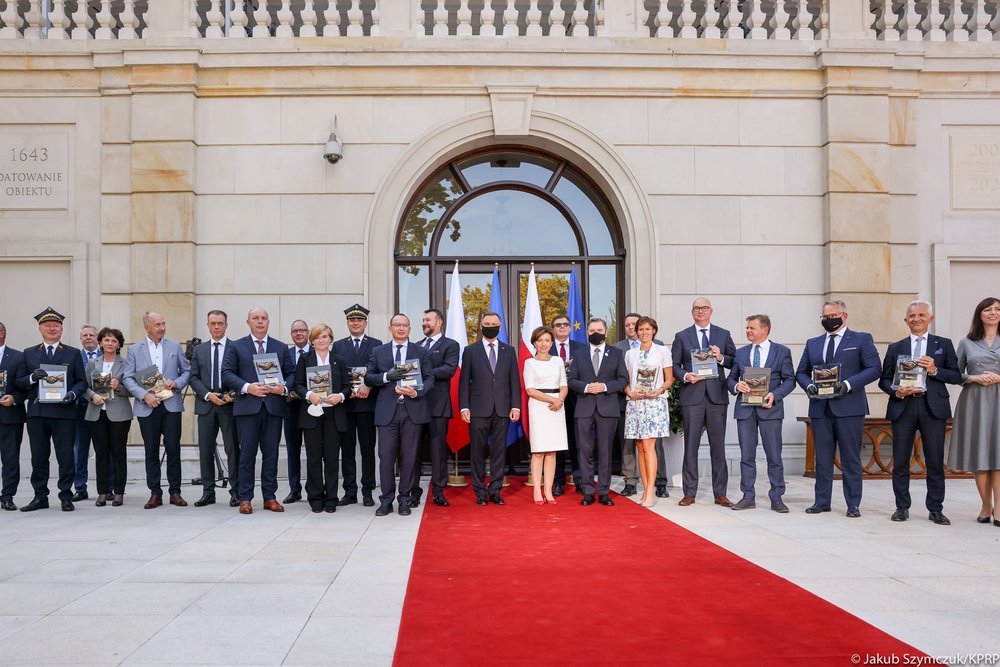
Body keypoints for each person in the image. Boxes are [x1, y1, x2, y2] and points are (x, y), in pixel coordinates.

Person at [796, 299, 881, 518]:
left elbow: (874, 369)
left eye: (831, 315)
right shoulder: (813, 343)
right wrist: (809, 386)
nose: (828, 320)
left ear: (844, 316)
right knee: (822, 459)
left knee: (850, 458)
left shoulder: (861, 339)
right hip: (820, 408)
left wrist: (848, 385)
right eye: (824, 317)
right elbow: (801, 372)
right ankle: (821, 501)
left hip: (849, 407)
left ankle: (853, 504)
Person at [878, 301, 961, 525]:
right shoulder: (896, 347)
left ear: (930, 319)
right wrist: (897, 391)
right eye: (912, 316)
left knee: (934, 460)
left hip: (932, 406)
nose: (916, 319)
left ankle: (935, 508)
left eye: (921, 315)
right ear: (906, 321)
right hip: (903, 406)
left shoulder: (943, 344)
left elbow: (956, 376)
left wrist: (934, 370)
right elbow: (884, 380)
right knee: (901, 460)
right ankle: (902, 507)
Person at [222, 307, 295, 514]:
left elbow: (291, 374)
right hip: (247, 408)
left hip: (273, 408)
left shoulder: (280, 347)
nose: (260, 322)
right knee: (247, 455)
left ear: (268, 322)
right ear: (248, 322)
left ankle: (269, 497)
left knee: (271, 455)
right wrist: (247, 387)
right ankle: (245, 498)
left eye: (263, 318)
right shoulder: (236, 346)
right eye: (256, 318)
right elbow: (227, 373)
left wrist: (285, 388)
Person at [14, 307, 87, 512]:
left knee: (65, 456)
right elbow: (19, 382)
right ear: (40, 329)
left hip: (64, 413)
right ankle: (40, 496)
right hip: (37, 413)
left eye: (56, 325)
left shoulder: (72, 353)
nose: (52, 328)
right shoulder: (28, 353)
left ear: (62, 329)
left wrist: (72, 394)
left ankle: (65, 495)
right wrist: (31, 378)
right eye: (48, 325)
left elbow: (81, 382)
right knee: (39, 456)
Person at [364, 314, 433, 516]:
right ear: (390, 328)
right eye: (397, 325)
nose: (401, 328)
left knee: (409, 458)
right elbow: (368, 378)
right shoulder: (379, 351)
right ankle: (386, 500)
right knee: (386, 457)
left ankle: (405, 499)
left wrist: (416, 391)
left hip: (413, 410)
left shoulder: (421, 352)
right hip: (387, 412)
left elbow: (430, 379)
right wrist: (387, 376)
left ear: (410, 329)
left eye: (404, 325)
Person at [671, 297, 736, 507]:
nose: (700, 311)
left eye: (704, 308)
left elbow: (735, 362)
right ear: (692, 312)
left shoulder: (723, 334)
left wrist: (720, 357)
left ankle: (720, 493)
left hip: (716, 397)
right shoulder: (681, 336)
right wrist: (685, 375)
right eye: (697, 308)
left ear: (711, 311)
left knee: (718, 447)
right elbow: (673, 365)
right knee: (691, 446)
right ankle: (689, 492)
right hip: (693, 396)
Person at [727, 314, 796, 512]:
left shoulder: (782, 351)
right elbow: (730, 379)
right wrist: (736, 385)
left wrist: (776, 394)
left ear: (764, 330)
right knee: (746, 456)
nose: (748, 331)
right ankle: (748, 496)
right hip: (745, 411)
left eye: (751, 328)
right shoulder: (740, 353)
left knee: (774, 455)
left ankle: (776, 497)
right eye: (747, 328)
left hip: (770, 410)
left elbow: (790, 380)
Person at [123, 311, 191, 509]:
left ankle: (175, 492)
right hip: (147, 406)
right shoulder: (135, 349)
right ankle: (155, 493)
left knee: (173, 449)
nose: (162, 328)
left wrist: (176, 382)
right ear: (147, 327)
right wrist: (144, 396)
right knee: (151, 451)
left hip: (171, 405)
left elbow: (187, 371)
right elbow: (128, 378)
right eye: (157, 325)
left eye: (163, 324)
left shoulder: (174, 346)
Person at [947, 297, 1000, 526]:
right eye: (988, 309)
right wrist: (975, 377)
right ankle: (985, 505)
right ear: (979, 314)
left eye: (998, 309)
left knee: (998, 456)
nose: (993, 313)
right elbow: (955, 374)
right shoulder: (967, 342)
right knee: (980, 454)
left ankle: (999, 509)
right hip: (975, 401)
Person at [458, 312, 521, 505]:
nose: (490, 326)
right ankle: (480, 492)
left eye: (494, 324)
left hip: (502, 409)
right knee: (477, 452)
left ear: (500, 327)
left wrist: (516, 406)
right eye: (487, 323)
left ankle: (495, 490)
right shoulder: (470, 351)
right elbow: (463, 382)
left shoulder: (509, 351)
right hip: (477, 410)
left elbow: (514, 380)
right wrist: (464, 407)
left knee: (499, 452)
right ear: (481, 326)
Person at [567, 317, 628, 507]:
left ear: (605, 331)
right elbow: (571, 380)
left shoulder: (617, 353)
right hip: (584, 407)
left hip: (608, 408)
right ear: (587, 333)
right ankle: (587, 491)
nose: (595, 333)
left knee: (605, 452)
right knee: (584, 452)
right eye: (592, 330)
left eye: (599, 329)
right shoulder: (579, 354)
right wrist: (586, 388)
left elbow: (622, 379)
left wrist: (603, 386)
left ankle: (603, 491)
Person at [294, 323, 351, 513]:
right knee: (314, 457)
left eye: (325, 336)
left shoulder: (339, 360)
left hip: (333, 415)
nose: (321, 340)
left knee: (332, 458)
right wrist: (310, 395)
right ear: (312, 340)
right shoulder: (304, 359)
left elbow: (347, 387)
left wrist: (340, 397)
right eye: (317, 337)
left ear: (330, 339)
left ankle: (331, 498)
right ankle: (316, 497)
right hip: (312, 413)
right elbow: (298, 384)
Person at [188, 310, 240, 508]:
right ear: (207, 325)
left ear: (226, 325)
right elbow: (193, 377)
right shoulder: (200, 350)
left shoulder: (236, 348)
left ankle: (236, 491)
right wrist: (208, 395)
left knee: (233, 450)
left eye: (220, 323)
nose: (217, 327)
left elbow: (242, 374)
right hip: (206, 405)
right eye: (213, 323)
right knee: (205, 450)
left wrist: (231, 395)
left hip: (229, 405)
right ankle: (208, 492)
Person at [616, 312, 670, 499]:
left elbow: (670, 378)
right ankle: (646, 488)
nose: (644, 332)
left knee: (649, 446)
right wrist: (629, 391)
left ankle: (650, 492)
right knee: (639, 446)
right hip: (635, 403)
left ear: (654, 331)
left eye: (647, 329)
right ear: (636, 332)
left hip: (655, 403)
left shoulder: (663, 351)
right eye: (641, 329)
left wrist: (660, 389)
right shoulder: (630, 354)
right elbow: (624, 379)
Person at [332, 304, 381, 507]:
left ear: (365, 323)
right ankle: (350, 491)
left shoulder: (376, 344)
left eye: (359, 320)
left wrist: (368, 387)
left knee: (368, 450)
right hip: (346, 406)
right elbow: (335, 374)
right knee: (347, 450)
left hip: (368, 405)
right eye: (352, 320)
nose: (356, 323)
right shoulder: (338, 346)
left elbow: (379, 372)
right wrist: (345, 391)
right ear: (348, 323)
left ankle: (368, 491)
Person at [83, 327, 131, 507]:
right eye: (106, 340)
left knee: (118, 454)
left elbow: (132, 390)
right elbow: (84, 386)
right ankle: (102, 492)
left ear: (119, 345)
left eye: (114, 341)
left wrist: (118, 386)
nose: (110, 343)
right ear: (100, 343)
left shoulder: (125, 364)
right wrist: (91, 396)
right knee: (101, 454)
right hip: (97, 412)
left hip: (119, 414)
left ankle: (119, 492)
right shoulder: (93, 363)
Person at [417, 308, 459, 507]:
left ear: (439, 323)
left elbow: (448, 370)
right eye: (423, 320)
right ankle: (412, 490)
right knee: (413, 450)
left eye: (428, 320)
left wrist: (423, 374)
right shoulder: (416, 346)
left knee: (438, 451)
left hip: (438, 406)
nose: (424, 323)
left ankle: (439, 491)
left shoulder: (450, 345)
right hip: (415, 406)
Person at [523, 325, 568, 505]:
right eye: (540, 340)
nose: (543, 344)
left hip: (557, 407)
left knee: (552, 452)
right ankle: (536, 490)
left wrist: (559, 400)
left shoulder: (558, 361)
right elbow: (530, 390)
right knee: (539, 452)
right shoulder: (530, 363)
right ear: (534, 342)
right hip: (539, 407)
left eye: (547, 340)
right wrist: (552, 400)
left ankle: (548, 491)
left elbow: (564, 385)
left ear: (551, 342)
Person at [550, 314, 586, 496]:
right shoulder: (546, 347)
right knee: (557, 443)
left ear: (570, 328)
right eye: (558, 325)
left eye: (565, 324)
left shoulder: (581, 348)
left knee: (577, 442)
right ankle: (558, 482)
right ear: (553, 329)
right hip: (554, 401)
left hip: (577, 400)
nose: (562, 327)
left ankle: (580, 480)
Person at [283, 319, 311, 504]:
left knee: (313, 450)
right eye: (295, 331)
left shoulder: (318, 352)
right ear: (291, 334)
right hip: (290, 408)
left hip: (311, 407)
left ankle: (313, 487)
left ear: (308, 333)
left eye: (302, 330)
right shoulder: (285, 353)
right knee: (293, 450)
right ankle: (295, 489)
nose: (299, 334)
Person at [73, 324, 101, 501]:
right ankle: (80, 487)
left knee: (105, 450)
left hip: (101, 409)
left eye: (91, 335)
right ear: (80, 338)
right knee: (79, 450)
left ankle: (108, 487)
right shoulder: (75, 356)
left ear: (97, 338)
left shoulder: (107, 355)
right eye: (84, 335)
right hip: (80, 410)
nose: (88, 337)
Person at [0, 321, 26, 511]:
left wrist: (15, 398)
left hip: (10, 415)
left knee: (10, 458)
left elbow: (25, 386)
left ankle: (7, 496)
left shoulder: (18, 357)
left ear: (2, 333)